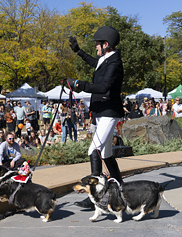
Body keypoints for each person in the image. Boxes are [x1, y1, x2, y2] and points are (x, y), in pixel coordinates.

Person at [69, 26, 124, 208]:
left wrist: (79, 84)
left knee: (94, 150)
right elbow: (94, 62)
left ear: (106, 44)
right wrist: (78, 51)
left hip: (109, 112)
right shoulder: (105, 59)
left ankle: (96, 193)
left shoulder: (114, 63)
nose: (96, 47)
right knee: (106, 154)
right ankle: (120, 188)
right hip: (101, 112)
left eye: (97, 44)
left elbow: (103, 87)